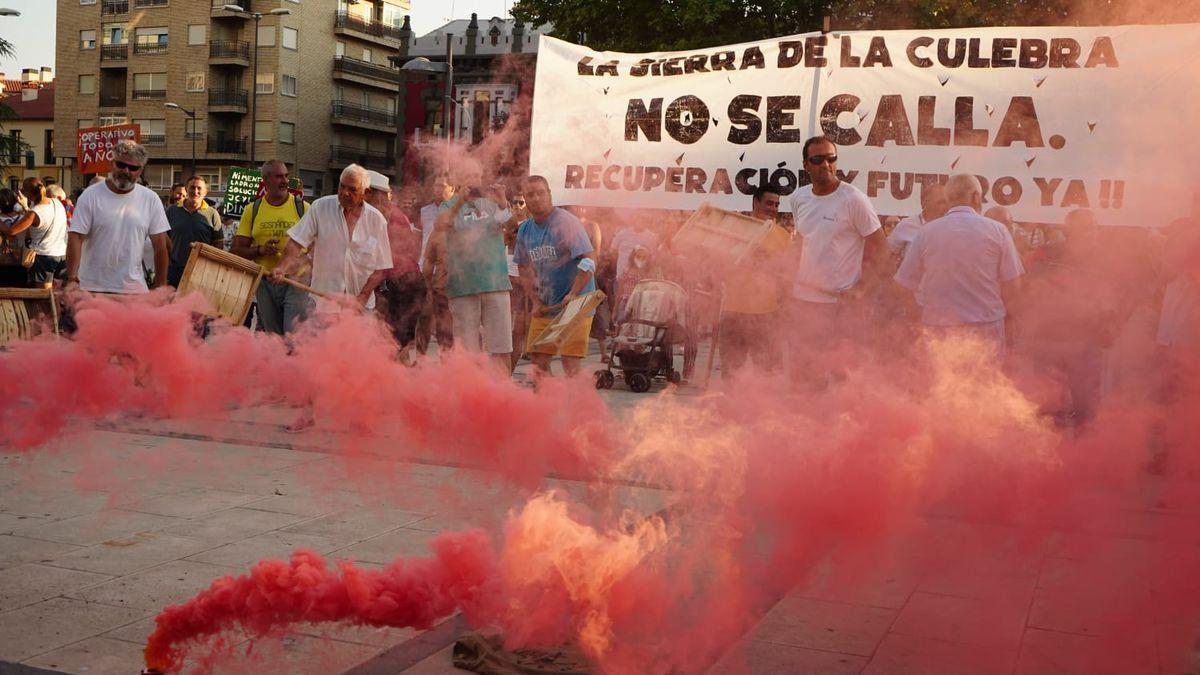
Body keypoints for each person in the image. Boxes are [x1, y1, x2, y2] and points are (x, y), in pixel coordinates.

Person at [788, 136, 885, 385]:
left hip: (839, 305)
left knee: (842, 377)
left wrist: (860, 289)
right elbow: (802, 242)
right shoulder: (798, 198)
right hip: (804, 302)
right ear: (806, 165)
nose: (826, 165)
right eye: (818, 160)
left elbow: (881, 250)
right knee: (805, 376)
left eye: (831, 158)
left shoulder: (854, 199)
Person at [894, 174, 1025, 355]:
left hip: (938, 330)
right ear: (976, 197)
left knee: (942, 374)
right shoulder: (998, 231)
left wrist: (919, 319)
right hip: (986, 330)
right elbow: (1013, 286)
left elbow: (903, 285)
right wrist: (1012, 322)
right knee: (986, 374)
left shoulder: (925, 233)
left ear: (948, 199)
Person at [272, 164, 391, 314]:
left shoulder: (377, 220)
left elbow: (380, 268)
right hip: (323, 303)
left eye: (352, 189)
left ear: (366, 193)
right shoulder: (320, 207)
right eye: (342, 186)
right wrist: (282, 267)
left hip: (361, 308)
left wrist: (362, 297)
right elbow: (296, 242)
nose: (345, 193)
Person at [514, 175, 597, 378]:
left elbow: (589, 259)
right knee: (538, 360)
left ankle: (576, 399)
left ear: (550, 194)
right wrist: (535, 300)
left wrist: (573, 293)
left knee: (570, 362)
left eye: (540, 193)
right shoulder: (525, 229)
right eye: (530, 194)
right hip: (547, 304)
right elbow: (523, 268)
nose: (536, 198)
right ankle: (547, 398)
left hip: (576, 303)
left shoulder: (566, 222)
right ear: (525, 198)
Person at [65, 140, 170, 294]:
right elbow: (76, 237)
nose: (126, 171)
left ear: (141, 170)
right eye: (121, 165)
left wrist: (161, 286)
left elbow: (160, 245)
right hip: (92, 288)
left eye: (133, 168)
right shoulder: (90, 195)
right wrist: (72, 279)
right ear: (112, 163)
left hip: (134, 290)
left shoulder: (151, 199)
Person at [437, 161, 513, 370]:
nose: (474, 180)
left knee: (501, 347)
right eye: (468, 176)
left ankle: (502, 389)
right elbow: (440, 224)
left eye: (477, 176)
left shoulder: (492, 202)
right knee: (467, 352)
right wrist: (460, 202)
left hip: (496, 283)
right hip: (463, 287)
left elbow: (513, 228)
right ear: (459, 179)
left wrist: (503, 203)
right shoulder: (448, 205)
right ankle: (471, 389)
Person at [231, 160, 311, 335]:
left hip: (297, 280)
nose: (285, 181)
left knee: (293, 335)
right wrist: (259, 250)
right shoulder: (252, 209)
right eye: (279, 177)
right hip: (265, 281)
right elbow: (236, 251)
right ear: (266, 180)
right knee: (272, 337)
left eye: (286, 176)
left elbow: (316, 247)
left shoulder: (303, 208)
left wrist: (299, 263)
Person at [719, 185, 792, 374]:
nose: (773, 208)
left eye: (776, 204)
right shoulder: (737, 227)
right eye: (769, 203)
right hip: (734, 311)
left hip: (767, 314)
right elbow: (719, 264)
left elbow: (786, 273)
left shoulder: (783, 236)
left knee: (768, 373)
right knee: (731, 372)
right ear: (755, 202)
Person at [365, 170, 425, 362]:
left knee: (394, 342)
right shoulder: (389, 213)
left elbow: (378, 255)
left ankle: (400, 377)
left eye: (365, 193)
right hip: (402, 282)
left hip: (401, 283)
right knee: (395, 341)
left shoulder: (383, 215)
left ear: (375, 194)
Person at [415, 175, 455, 354]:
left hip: (447, 272)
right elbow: (419, 238)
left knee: (444, 319)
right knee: (424, 315)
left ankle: (445, 358)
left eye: (442, 186)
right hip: (425, 268)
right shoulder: (425, 211)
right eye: (436, 185)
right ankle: (420, 357)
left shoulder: (458, 210)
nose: (437, 189)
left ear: (452, 189)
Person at [6, 178, 69, 289]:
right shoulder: (57, 203)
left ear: (29, 194)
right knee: (58, 293)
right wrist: (26, 207)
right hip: (62, 254)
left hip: (44, 257)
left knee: (44, 294)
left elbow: (12, 231)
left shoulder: (34, 213)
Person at [165, 176, 223, 287]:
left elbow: (218, 245)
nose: (195, 191)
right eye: (192, 187)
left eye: (199, 188)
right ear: (186, 189)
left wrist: (211, 268)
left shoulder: (212, 214)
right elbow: (164, 240)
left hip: (201, 272)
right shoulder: (171, 211)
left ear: (205, 192)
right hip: (174, 271)